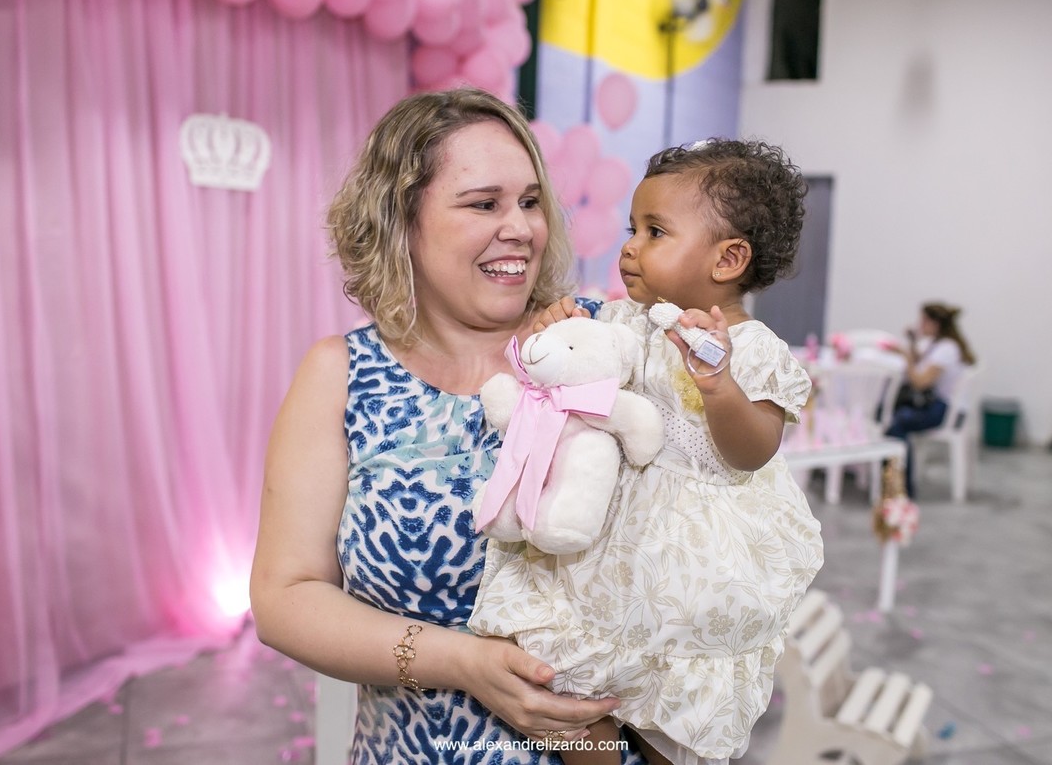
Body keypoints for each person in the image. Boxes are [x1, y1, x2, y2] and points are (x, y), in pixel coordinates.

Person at [249, 88, 652, 763]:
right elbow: (284, 596)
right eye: (484, 203)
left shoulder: (602, 341)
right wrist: (462, 662)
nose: (520, 228)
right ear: (401, 218)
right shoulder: (342, 375)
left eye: (529, 202)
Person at [469, 138, 826, 765]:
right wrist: (558, 327)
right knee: (565, 688)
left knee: (678, 715)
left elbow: (752, 452)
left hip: (693, 568)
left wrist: (719, 387)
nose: (630, 245)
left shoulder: (751, 347)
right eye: (633, 227)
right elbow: (579, 368)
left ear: (728, 259)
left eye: (655, 231)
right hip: (610, 554)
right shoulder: (625, 320)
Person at [884, 302, 977, 497]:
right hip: (942, 405)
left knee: (897, 423)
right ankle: (892, 479)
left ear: (936, 324)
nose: (920, 324)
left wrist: (907, 358)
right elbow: (921, 362)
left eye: (924, 321)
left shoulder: (947, 349)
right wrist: (910, 345)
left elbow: (919, 382)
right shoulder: (938, 345)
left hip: (945, 410)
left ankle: (902, 488)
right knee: (892, 414)